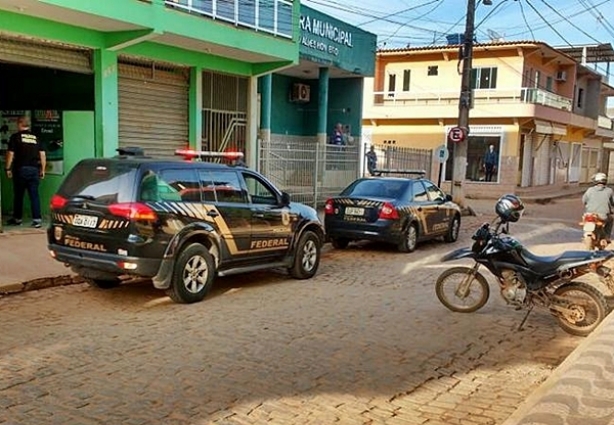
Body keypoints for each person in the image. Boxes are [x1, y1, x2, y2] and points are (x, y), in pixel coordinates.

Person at [5, 115, 46, 228]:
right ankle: (37, 220)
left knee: (18, 195)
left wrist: (7, 168)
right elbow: (42, 154)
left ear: (19, 124)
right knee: (34, 195)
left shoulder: (15, 137)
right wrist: (42, 169)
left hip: (20, 170)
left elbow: (11, 154)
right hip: (34, 170)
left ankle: (17, 219)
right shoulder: (36, 137)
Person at [582, 172, 614, 240]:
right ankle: (607, 237)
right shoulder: (609, 191)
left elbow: (584, 200)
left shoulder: (590, 190)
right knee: (611, 219)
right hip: (603, 216)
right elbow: (613, 202)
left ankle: (586, 234)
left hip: (589, 214)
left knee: (585, 220)